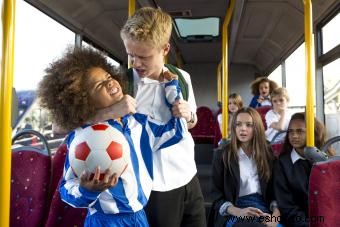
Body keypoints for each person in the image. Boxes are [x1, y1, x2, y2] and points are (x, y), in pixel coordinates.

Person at [37, 47, 188, 227]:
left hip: (139, 217)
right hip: (102, 221)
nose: (110, 83)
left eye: (108, 77)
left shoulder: (137, 124)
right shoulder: (82, 136)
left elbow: (175, 132)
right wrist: (86, 191)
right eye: (99, 85)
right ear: (84, 99)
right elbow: (66, 189)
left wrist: (172, 89)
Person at [94, 7, 206, 227]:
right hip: (154, 186)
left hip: (189, 176)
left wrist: (189, 115)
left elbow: (192, 122)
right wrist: (110, 112)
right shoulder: (120, 84)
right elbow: (67, 125)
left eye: (143, 56)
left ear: (165, 49)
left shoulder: (182, 77)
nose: (135, 63)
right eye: (130, 55)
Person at [210, 107, 282, 227]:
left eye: (249, 125)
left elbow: (275, 192)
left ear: (257, 128)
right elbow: (216, 196)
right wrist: (238, 211)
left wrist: (275, 215)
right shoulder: (222, 154)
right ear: (234, 127)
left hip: (263, 207)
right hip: (234, 209)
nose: (243, 128)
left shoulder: (268, 153)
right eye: (238, 124)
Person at [273, 112, 335, 227]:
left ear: (312, 133)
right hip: (299, 221)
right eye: (290, 131)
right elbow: (286, 206)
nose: (294, 136)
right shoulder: (282, 164)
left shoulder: (326, 159)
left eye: (300, 131)